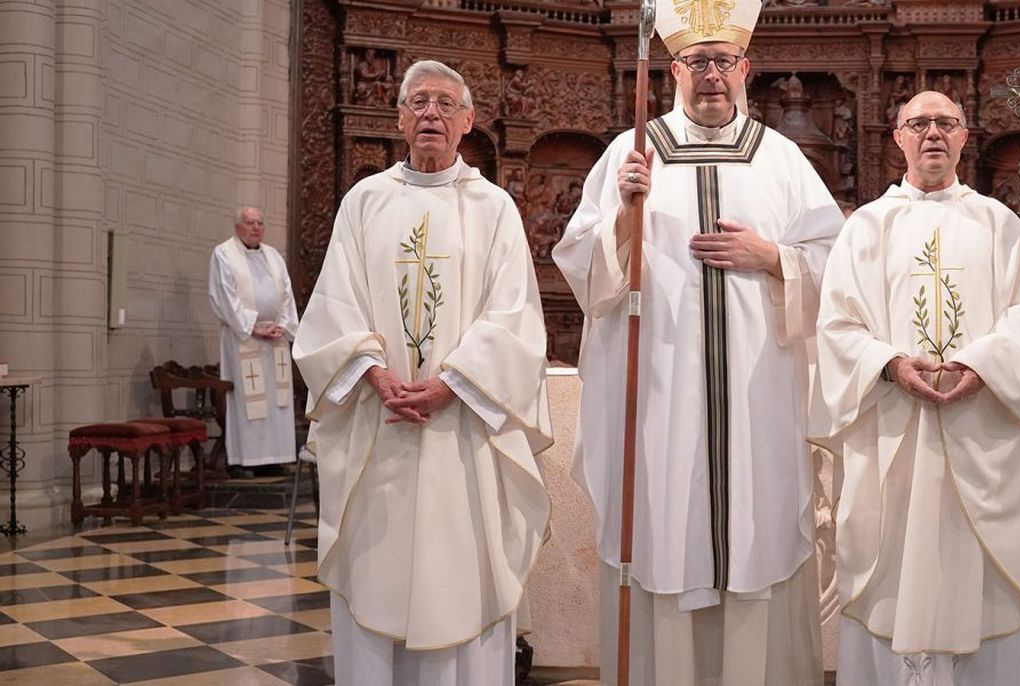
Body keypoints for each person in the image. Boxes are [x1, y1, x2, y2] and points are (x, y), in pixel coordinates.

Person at [552, 1, 842, 682]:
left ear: (746, 69)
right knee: (665, 532)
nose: (711, 75)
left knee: (758, 535)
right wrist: (623, 212)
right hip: (661, 399)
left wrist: (773, 256)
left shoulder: (783, 159)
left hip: (758, 400)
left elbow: (839, 264)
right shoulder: (631, 156)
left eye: (722, 61)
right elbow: (588, 274)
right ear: (672, 71)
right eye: (695, 62)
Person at [293, 59, 553, 685]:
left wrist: (450, 385)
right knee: (375, 575)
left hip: (461, 430)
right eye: (419, 102)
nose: (431, 113)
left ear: (467, 122)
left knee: (458, 575)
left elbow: (513, 313)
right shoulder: (365, 201)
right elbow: (334, 305)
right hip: (377, 425)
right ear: (399, 119)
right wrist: (374, 373)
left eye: (444, 103)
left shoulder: (494, 208)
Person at [811, 91, 1020, 686]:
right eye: (918, 124)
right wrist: (891, 363)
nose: (932, 134)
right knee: (894, 574)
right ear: (896, 137)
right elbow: (837, 326)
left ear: (964, 136)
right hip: (894, 435)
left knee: (986, 582)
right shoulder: (866, 228)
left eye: (945, 124)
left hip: (985, 433)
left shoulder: (1001, 225)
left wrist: (982, 365)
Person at [207, 206, 299, 478]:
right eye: (250, 223)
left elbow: (287, 294)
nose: (256, 227)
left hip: (275, 340)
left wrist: (283, 325)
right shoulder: (224, 254)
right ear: (238, 227)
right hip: (243, 338)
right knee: (247, 399)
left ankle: (273, 457)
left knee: (276, 400)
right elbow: (223, 295)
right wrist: (252, 327)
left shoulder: (273, 256)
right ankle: (244, 460)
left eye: (260, 222)